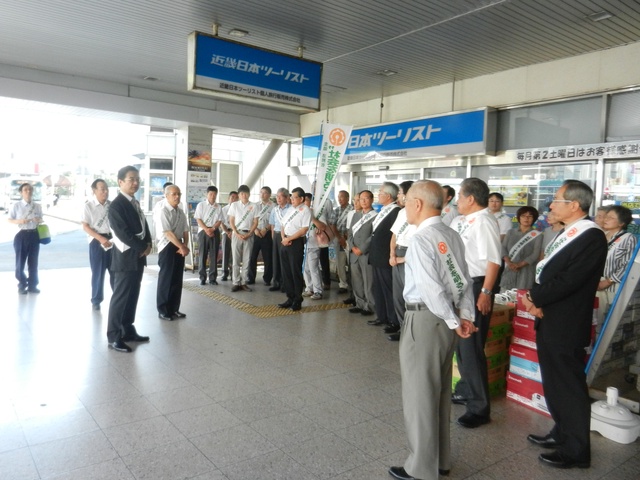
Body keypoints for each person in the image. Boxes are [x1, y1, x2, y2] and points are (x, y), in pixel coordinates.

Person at [389, 180, 476, 480]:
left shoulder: (422, 239)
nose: (404, 205)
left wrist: (455, 320)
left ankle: (421, 468)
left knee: (419, 395)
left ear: (417, 204)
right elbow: (464, 281)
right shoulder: (451, 233)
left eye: (406, 199)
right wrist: (462, 317)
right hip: (445, 320)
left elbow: (430, 289)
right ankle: (440, 461)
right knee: (437, 394)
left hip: (425, 321)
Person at [522, 180, 607, 469]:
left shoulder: (591, 236)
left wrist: (534, 296)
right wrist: (537, 298)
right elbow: (548, 271)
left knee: (568, 385)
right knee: (554, 381)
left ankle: (577, 450)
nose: (550, 205)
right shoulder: (567, 233)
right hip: (550, 316)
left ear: (574, 205)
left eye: (556, 200)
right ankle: (562, 431)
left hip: (567, 322)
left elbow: (570, 280)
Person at [449, 178, 501, 428]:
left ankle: (479, 408)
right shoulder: (461, 220)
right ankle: (465, 389)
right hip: (461, 286)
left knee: (471, 346)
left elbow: (493, 261)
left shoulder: (484, 220)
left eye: (460, 195)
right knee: (462, 344)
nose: (457, 199)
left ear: (471, 199)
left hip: (476, 286)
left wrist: (486, 292)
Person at [106, 166, 152, 353]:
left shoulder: (134, 202)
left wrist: (148, 244)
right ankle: (114, 336)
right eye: (131, 179)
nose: (135, 183)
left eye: (137, 179)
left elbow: (144, 225)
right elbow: (122, 233)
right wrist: (142, 247)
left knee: (133, 294)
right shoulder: (117, 205)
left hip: (137, 258)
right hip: (125, 258)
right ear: (120, 182)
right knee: (120, 297)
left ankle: (128, 329)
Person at [596, 205, 637, 323]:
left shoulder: (628, 238)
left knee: (609, 321)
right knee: (596, 318)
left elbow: (627, 264)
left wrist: (608, 281)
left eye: (611, 217)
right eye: (606, 216)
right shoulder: (601, 235)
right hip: (596, 283)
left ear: (621, 223)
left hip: (613, 286)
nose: (606, 219)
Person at [155, 185, 190, 320]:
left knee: (177, 279)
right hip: (167, 246)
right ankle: (163, 310)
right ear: (167, 195)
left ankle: (174, 308)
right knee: (166, 279)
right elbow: (168, 233)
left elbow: (185, 231)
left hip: (179, 245)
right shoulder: (163, 211)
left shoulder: (181, 212)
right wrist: (181, 246)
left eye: (179, 194)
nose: (177, 197)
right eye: (174, 194)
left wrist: (184, 246)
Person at [369, 182, 400, 329]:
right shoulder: (384, 210)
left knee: (388, 289)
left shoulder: (395, 212)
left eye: (380, 192)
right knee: (378, 288)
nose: (378, 195)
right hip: (377, 255)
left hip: (385, 256)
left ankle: (393, 320)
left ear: (388, 196)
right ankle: (381, 316)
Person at [389, 180, 415, 341]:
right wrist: (392, 254)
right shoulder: (401, 212)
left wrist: (402, 258)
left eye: (399, 192)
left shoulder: (419, 214)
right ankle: (401, 327)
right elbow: (394, 235)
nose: (397, 195)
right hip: (397, 252)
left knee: (409, 296)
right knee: (397, 294)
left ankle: (411, 331)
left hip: (409, 256)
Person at [81, 178, 114, 310]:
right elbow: (85, 226)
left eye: (107, 189)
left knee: (115, 271)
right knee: (98, 272)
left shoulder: (112, 205)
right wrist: (100, 239)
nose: (105, 192)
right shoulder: (88, 206)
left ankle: (117, 297)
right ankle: (96, 300)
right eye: (102, 189)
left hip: (112, 240)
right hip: (96, 241)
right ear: (94, 191)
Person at [278, 187, 312, 311]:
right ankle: (290, 297)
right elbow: (282, 224)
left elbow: (304, 229)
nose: (291, 199)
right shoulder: (290, 209)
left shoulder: (306, 210)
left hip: (296, 242)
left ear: (301, 198)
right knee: (286, 272)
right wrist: (283, 238)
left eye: (294, 197)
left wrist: (289, 238)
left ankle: (298, 299)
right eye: (291, 197)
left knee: (295, 271)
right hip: (285, 241)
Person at [8, 183, 43, 294]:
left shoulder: (37, 206)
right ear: (21, 192)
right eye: (25, 189)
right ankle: (22, 284)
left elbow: (41, 219)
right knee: (20, 262)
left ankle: (33, 285)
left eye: (30, 189)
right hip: (21, 235)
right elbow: (9, 219)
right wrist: (20, 221)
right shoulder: (16, 205)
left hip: (34, 235)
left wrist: (39, 220)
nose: (28, 191)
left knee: (33, 262)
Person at [348, 190, 377, 316]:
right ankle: (359, 303)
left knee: (368, 281)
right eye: (361, 199)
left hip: (366, 254)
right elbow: (349, 233)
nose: (363, 201)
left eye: (366, 198)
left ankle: (369, 306)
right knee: (357, 280)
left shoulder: (376, 216)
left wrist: (362, 248)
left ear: (371, 200)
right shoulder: (356, 215)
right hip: (354, 253)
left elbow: (374, 235)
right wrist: (353, 247)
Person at [500, 206, 543, 291]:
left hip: (526, 271)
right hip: (509, 268)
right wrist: (509, 263)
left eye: (530, 216)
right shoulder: (510, 232)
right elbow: (503, 248)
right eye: (523, 216)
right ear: (518, 218)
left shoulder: (538, 235)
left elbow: (535, 254)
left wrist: (519, 265)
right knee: (504, 298)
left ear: (534, 219)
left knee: (523, 297)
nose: (526, 219)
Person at [228, 185, 258, 292]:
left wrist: (250, 233)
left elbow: (255, 222)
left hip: (249, 234)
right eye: (241, 193)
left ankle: (244, 282)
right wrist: (236, 232)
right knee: (235, 259)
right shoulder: (234, 205)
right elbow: (231, 220)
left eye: (245, 193)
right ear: (239, 195)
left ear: (249, 194)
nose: (243, 195)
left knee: (247, 259)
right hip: (237, 234)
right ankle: (236, 282)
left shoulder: (254, 206)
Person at [194, 186, 223, 286]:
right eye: (211, 194)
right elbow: (198, 219)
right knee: (203, 255)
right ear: (207, 194)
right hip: (203, 232)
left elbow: (219, 220)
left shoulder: (218, 207)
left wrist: (213, 229)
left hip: (214, 231)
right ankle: (202, 278)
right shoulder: (201, 205)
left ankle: (212, 278)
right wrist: (206, 229)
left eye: (215, 194)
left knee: (214, 255)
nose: (213, 196)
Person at [248, 186, 275, 285]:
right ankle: (251, 278)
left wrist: (266, 229)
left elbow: (274, 221)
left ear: (269, 194)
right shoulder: (254, 205)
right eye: (261, 192)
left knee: (267, 257)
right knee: (252, 256)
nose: (262, 194)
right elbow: (250, 219)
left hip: (267, 234)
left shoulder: (273, 206)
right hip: (255, 233)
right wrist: (255, 229)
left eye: (265, 193)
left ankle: (267, 279)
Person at [329, 190, 353, 294]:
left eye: (342, 197)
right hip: (338, 240)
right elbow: (332, 225)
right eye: (338, 197)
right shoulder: (336, 210)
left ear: (348, 198)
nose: (339, 199)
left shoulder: (352, 210)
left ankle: (354, 284)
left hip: (350, 240)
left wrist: (345, 237)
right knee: (340, 263)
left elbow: (353, 226)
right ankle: (343, 284)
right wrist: (339, 238)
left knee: (352, 263)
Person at [268, 187, 291, 292]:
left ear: (286, 198)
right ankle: (276, 282)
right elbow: (272, 224)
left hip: (287, 236)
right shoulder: (275, 209)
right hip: (276, 235)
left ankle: (285, 284)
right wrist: (273, 236)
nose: (278, 199)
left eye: (280, 196)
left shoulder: (291, 209)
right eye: (277, 196)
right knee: (275, 259)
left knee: (285, 260)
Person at [343, 192, 361, 306]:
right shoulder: (351, 214)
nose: (356, 203)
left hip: (361, 250)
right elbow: (348, 231)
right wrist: (350, 244)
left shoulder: (369, 214)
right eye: (354, 200)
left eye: (358, 200)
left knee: (359, 276)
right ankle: (352, 295)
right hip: (351, 246)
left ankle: (361, 300)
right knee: (350, 273)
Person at [220, 191, 238, 281]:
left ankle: (233, 273)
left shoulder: (238, 209)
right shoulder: (224, 209)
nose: (234, 199)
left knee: (235, 254)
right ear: (228, 198)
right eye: (232, 197)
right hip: (226, 233)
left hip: (236, 233)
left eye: (236, 198)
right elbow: (221, 222)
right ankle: (224, 273)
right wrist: (227, 232)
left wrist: (234, 232)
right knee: (226, 253)